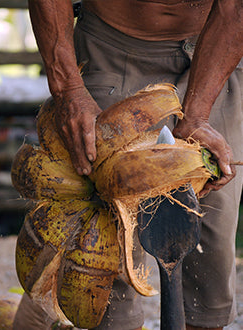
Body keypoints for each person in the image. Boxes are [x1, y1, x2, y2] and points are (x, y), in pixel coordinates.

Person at [26, 1, 243, 329]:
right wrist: (69, 90)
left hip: (216, 49)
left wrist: (197, 114)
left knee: (211, 248)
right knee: (108, 248)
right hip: (116, 46)